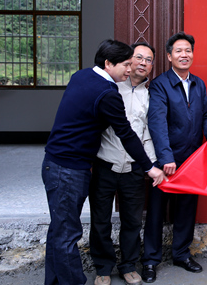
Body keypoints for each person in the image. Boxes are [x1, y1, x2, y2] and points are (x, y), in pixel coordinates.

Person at [42, 40, 166, 285]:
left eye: (140, 62)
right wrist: (150, 168)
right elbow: (126, 134)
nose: (131, 69)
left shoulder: (82, 76)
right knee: (67, 235)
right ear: (108, 63)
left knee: (59, 231)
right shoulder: (108, 93)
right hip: (70, 169)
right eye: (127, 64)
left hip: (59, 163)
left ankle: (54, 281)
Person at [141, 32, 207, 283]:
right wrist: (165, 157)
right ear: (169, 56)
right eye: (178, 51)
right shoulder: (160, 84)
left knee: (186, 209)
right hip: (166, 160)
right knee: (156, 212)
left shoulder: (198, 83)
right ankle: (150, 260)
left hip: (192, 159)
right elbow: (157, 123)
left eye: (188, 50)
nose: (184, 55)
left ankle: (181, 255)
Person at [89, 42, 158, 285]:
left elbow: (147, 133)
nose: (142, 63)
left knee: (132, 221)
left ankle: (128, 265)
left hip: (133, 168)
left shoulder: (150, 96)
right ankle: (103, 267)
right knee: (100, 220)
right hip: (105, 164)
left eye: (148, 60)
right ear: (128, 60)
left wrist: (151, 165)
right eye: (138, 57)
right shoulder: (110, 86)